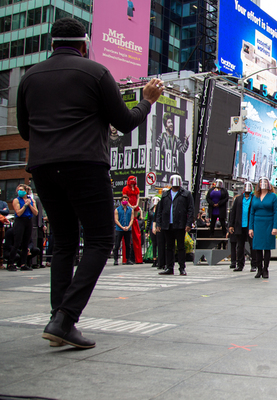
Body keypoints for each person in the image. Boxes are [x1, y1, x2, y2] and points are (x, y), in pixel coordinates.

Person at [17, 18, 163, 348]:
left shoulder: (29, 78)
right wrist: (147, 99)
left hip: (42, 167)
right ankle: (66, 318)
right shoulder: (96, 73)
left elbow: (26, 132)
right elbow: (125, 122)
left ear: (52, 44)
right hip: (84, 164)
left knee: (65, 243)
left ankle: (58, 321)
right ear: (85, 44)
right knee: (99, 239)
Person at [156, 175, 194, 276]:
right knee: (169, 247)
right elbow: (160, 210)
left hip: (180, 224)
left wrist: (188, 223)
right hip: (167, 224)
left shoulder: (186, 194)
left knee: (181, 247)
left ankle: (182, 268)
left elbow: (190, 209)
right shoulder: (165, 195)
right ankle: (169, 267)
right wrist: (159, 223)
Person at [249, 177, 277, 279]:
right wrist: (250, 228)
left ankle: (265, 269)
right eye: (261, 182)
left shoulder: (273, 196)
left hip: (268, 223)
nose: (263, 184)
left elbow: (276, 213)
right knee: (257, 248)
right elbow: (252, 213)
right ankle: (259, 269)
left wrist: (275, 227)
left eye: (265, 182)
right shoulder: (255, 197)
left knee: (266, 247)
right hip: (257, 224)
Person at [8, 184, 39, 271]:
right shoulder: (16, 200)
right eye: (18, 190)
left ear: (26, 191)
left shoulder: (31, 200)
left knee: (25, 244)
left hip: (28, 221)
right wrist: (25, 205)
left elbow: (36, 213)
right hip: (20, 221)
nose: (19, 191)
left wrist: (29, 204)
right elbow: (18, 213)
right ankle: (11, 263)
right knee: (17, 242)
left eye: (21, 189)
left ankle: (23, 263)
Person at [228, 182, 258, 272]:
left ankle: (254, 265)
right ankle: (240, 265)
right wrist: (231, 225)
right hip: (239, 225)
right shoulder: (238, 199)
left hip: (250, 226)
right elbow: (233, 212)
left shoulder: (254, 199)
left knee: (253, 246)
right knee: (240, 246)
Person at [122, 176, 143, 263]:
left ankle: (138, 258)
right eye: (132, 180)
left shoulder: (136, 189)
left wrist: (136, 205)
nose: (133, 181)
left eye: (134, 180)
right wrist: (130, 205)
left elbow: (138, 197)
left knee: (136, 235)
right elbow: (125, 198)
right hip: (129, 207)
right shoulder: (126, 189)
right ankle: (126, 258)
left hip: (135, 208)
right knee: (127, 237)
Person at [113, 196, 134, 266]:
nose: (125, 201)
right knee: (117, 244)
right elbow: (116, 220)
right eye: (124, 200)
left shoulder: (130, 210)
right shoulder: (117, 210)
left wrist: (128, 227)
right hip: (119, 229)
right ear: (121, 201)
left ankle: (128, 259)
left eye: (126, 200)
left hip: (128, 229)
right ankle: (115, 259)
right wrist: (122, 227)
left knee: (128, 244)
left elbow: (132, 219)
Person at [0, 190, 8, 268]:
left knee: (0, 245)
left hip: (1, 226)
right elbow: (4, 212)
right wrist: (2, 211)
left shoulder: (3, 203)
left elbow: (7, 212)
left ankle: (0, 263)